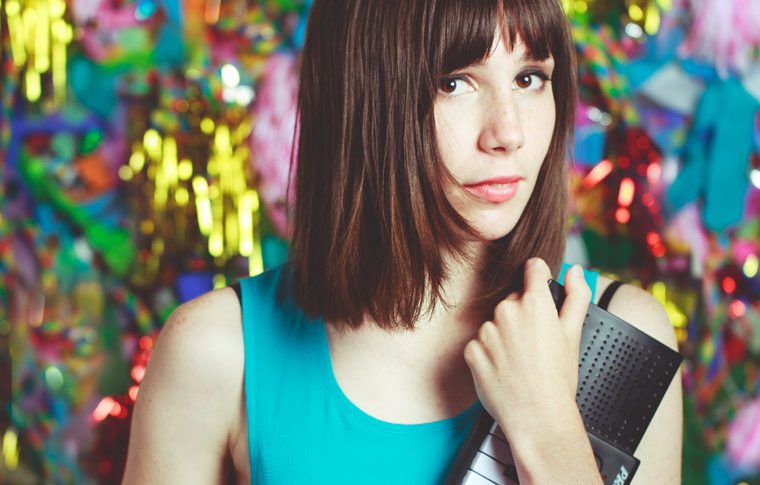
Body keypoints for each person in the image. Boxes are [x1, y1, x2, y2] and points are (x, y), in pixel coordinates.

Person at [122, 0, 682, 483]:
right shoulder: (218, 351)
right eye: (454, 83)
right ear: (359, 97)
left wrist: (550, 434)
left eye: (529, 78)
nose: (508, 133)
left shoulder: (624, 341)